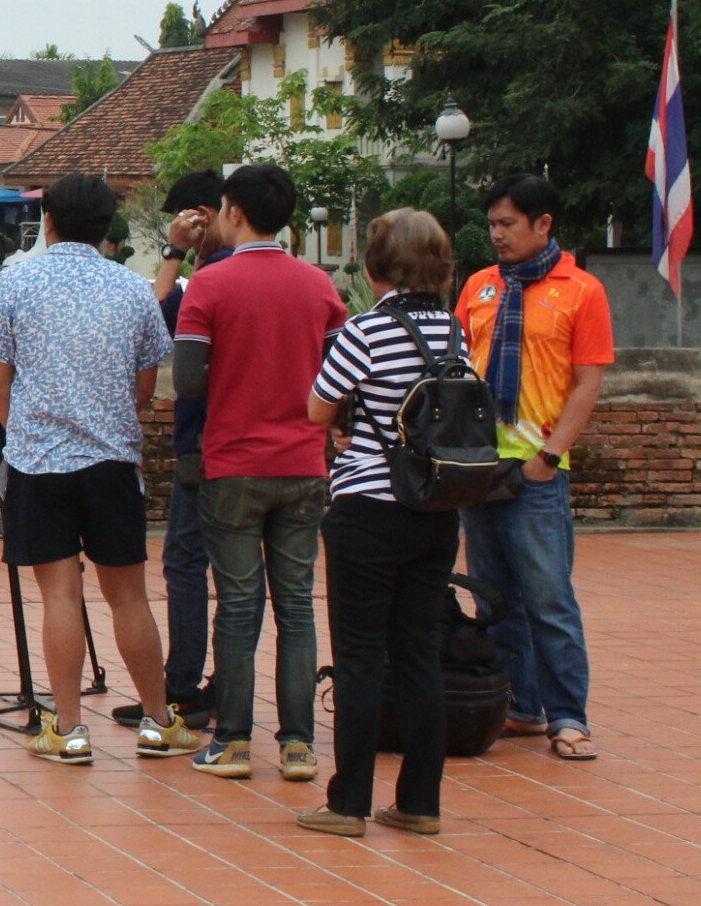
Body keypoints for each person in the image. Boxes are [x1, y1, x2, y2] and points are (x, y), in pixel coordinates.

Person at [0, 173, 200, 766]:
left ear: (47, 221)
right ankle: (158, 721)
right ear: (108, 228)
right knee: (128, 596)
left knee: (59, 595)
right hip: (111, 461)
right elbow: (146, 388)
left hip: (36, 461)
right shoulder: (132, 291)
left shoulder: (15, 281)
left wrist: (22, 428)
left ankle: (69, 730)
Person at [174, 162, 349, 782]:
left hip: (234, 464)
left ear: (233, 213)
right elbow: (344, 378)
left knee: (239, 607)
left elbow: (188, 380)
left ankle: (235, 741)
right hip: (304, 463)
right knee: (297, 606)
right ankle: (299, 745)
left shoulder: (211, 285)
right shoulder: (318, 285)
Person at [298, 209, 464, 837]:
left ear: (375, 269)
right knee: (419, 653)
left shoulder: (365, 330)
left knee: (361, 656)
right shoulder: (454, 332)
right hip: (434, 508)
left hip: (368, 505)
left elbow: (318, 408)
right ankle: (421, 801)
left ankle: (348, 804)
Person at [457, 174, 612, 761]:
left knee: (549, 596)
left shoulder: (581, 291)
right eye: (492, 224)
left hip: (538, 466)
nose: (496, 234)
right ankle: (519, 705)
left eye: (507, 224)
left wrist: (548, 459)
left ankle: (569, 715)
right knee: (494, 597)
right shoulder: (479, 286)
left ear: (543, 224)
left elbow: (589, 382)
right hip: (479, 466)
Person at [111, 168, 229, 729]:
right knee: (248, 579)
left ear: (201, 216)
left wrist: (172, 252)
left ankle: (179, 686)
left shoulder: (209, 280)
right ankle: (234, 688)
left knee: (184, 564)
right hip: (278, 451)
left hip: (206, 445)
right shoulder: (304, 278)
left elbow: (152, 329)